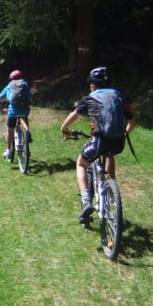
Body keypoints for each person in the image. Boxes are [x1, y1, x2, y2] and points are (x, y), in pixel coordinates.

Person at [60, 66, 136, 224]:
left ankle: (86, 200)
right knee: (110, 154)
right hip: (118, 143)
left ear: (93, 85)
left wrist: (64, 128)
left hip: (100, 140)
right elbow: (132, 121)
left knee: (81, 163)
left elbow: (74, 115)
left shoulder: (90, 97)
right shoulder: (117, 96)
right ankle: (112, 193)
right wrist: (124, 134)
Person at [0, 70, 31, 161]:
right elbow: (29, 95)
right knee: (24, 116)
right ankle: (27, 132)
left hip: (13, 111)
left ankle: (8, 151)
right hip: (25, 109)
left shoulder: (9, 85)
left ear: (11, 78)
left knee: (10, 130)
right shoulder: (25, 83)